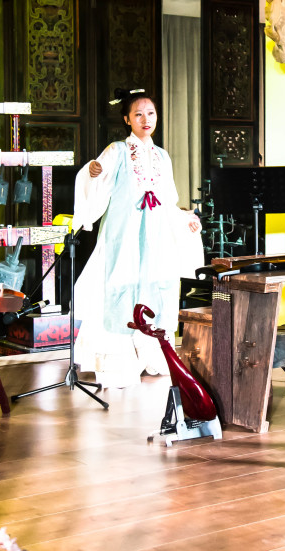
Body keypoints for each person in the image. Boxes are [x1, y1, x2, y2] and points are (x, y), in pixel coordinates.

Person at [71, 90, 203, 389]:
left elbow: (168, 199)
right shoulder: (117, 150)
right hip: (124, 232)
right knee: (121, 289)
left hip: (156, 233)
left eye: (151, 113)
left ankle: (154, 357)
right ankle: (117, 366)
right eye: (138, 114)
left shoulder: (162, 156)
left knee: (156, 288)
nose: (146, 119)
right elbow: (96, 179)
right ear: (127, 119)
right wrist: (92, 172)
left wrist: (184, 219)